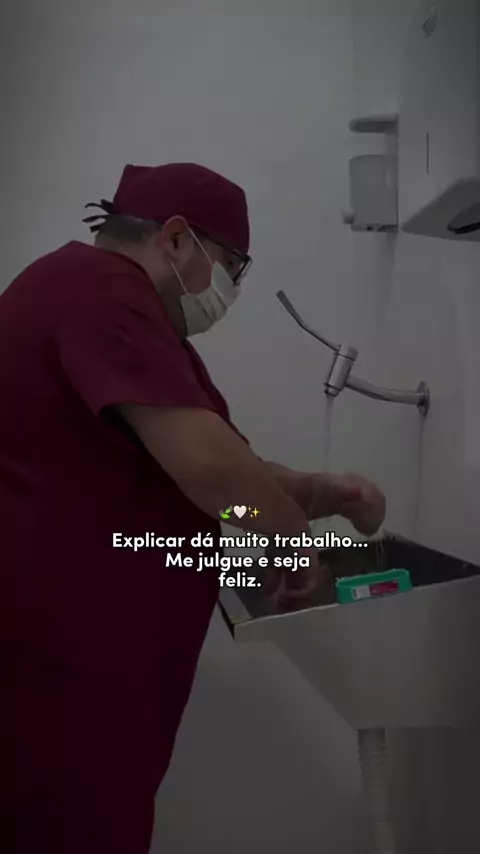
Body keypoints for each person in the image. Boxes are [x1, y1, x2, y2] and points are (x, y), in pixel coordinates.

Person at [0, 162, 385, 853]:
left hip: (83, 656)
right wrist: (297, 548)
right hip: (60, 667)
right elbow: (211, 471)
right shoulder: (103, 293)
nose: (229, 291)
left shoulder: (103, 304)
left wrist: (325, 492)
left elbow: (214, 468)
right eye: (232, 268)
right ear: (176, 239)